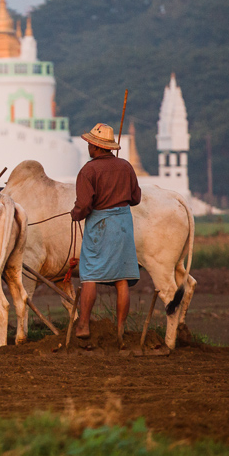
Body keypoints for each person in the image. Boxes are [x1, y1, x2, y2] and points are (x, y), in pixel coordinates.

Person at [72, 123, 142, 348]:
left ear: (95, 146)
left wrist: (75, 214)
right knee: (121, 279)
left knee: (90, 274)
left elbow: (84, 205)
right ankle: (120, 330)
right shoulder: (126, 167)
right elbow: (135, 198)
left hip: (100, 226)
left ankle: (83, 325)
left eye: (89, 144)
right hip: (123, 225)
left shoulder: (88, 170)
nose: (88, 148)